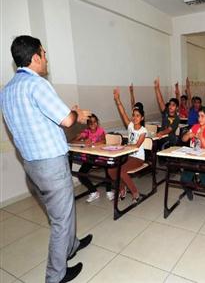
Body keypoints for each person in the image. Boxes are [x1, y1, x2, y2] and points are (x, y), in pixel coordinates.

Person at [0, 35, 92, 282]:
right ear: (35, 58)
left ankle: (71, 245)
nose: (47, 58)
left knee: (61, 210)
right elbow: (67, 120)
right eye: (44, 53)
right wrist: (78, 113)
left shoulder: (6, 91)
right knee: (61, 218)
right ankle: (55, 276)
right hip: (51, 164)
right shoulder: (38, 85)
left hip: (30, 165)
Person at [112, 88, 147, 200]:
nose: (135, 118)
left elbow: (137, 146)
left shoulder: (143, 131)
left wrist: (125, 146)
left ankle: (135, 192)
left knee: (121, 170)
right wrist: (118, 100)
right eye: (133, 115)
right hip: (128, 156)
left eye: (137, 116)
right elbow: (122, 112)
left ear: (142, 118)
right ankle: (122, 188)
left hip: (138, 158)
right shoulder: (130, 126)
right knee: (111, 169)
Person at [73, 114, 114, 202]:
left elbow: (103, 141)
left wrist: (92, 143)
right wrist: (84, 141)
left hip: (101, 156)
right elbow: (74, 140)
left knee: (108, 169)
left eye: (94, 121)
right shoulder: (86, 131)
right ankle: (93, 191)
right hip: (90, 158)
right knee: (81, 174)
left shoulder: (100, 131)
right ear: (88, 124)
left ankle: (109, 190)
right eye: (90, 122)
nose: (93, 124)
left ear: (97, 122)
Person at [181, 106, 205, 204]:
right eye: (199, 116)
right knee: (184, 178)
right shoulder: (195, 127)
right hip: (193, 157)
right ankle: (189, 189)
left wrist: (201, 137)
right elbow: (183, 139)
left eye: (202, 116)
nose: (200, 118)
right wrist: (188, 135)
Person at [154, 77, 180, 147]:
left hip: (170, 139)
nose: (170, 106)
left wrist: (160, 133)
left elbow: (169, 130)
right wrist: (157, 88)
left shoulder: (177, 118)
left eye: (173, 105)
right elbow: (160, 101)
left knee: (163, 147)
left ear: (177, 108)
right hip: (162, 137)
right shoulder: (166, 112)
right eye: (170, 105)